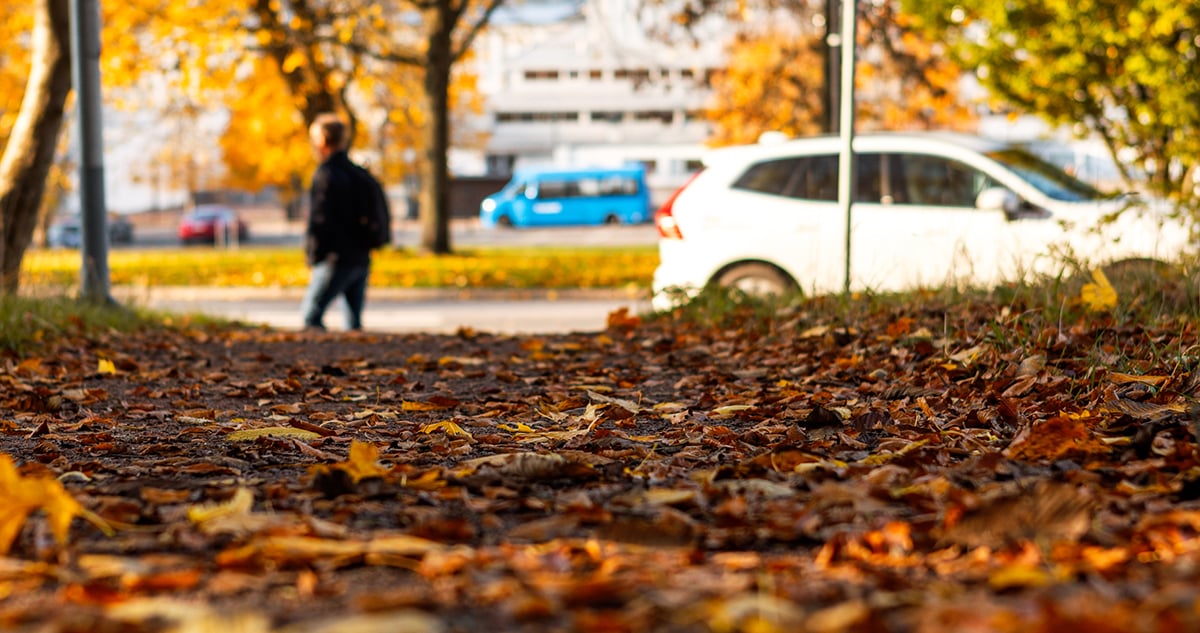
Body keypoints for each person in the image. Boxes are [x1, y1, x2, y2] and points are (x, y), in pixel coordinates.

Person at [300, 113, 373, 331]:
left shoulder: (326, 175)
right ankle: (359, 362)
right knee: (354, 324)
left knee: (311, 317)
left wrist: (313, 256)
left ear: (322, 139)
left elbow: (320, 221)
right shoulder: (359, 174)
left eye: (314, 138)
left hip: (335, 259)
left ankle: (318, 362)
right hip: (361, 257)